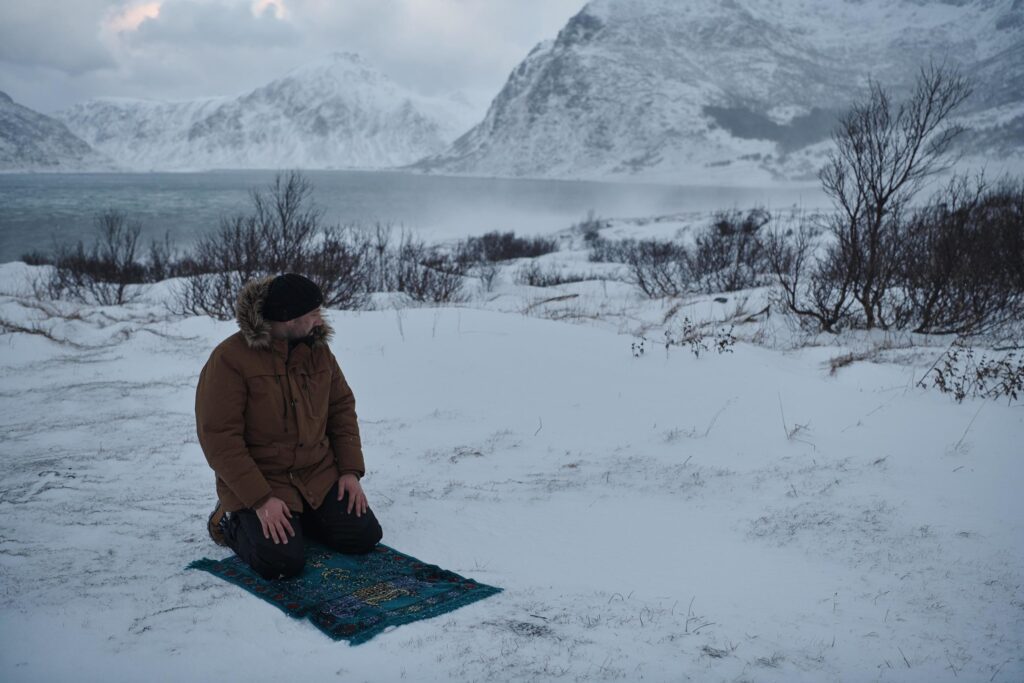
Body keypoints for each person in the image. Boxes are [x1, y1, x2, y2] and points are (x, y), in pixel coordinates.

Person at [195, 273, 382, 580]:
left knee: (363, 536)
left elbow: (341, 409)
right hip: (263, 480)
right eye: (312, 315)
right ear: (286, 318)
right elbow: (219, 439)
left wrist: (349, 471)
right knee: (282, 561)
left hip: (316, 474)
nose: (319, 321)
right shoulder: (229, 360)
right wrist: (260, 500)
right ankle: (230, 521)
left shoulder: (319, 352)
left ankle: (299, 516)